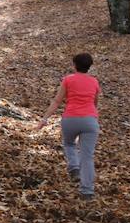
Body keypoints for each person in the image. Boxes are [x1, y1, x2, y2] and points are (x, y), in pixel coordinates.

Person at [36, 53, 101, 199]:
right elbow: (94, 103)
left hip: (70, 119)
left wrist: (44, 119)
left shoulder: (68, 80)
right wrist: (92, 117)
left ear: (74, 65)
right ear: (89, 67)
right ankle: (87, 191)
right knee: (87, 156)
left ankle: (74, 168)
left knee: (69, 144)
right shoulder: (94, 82)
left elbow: (57, 101)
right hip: (90, 121)